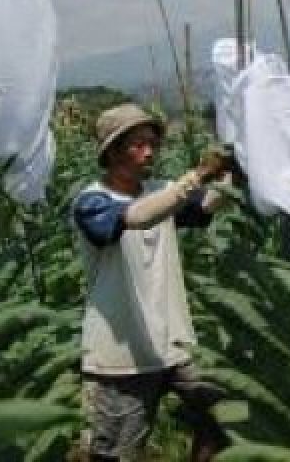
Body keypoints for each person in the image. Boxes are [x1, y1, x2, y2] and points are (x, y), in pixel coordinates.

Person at [73, 103, 232, 461]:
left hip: (172, 345)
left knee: (225, 420)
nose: (149, 152)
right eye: (137, 144)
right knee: (115, 455)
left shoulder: (159, 191)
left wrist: (233, 171)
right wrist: (197, 175)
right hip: (121, 357)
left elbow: (205, 206)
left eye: (152, 143)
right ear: (112, 152)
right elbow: (139, 216)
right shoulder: (91, 203)